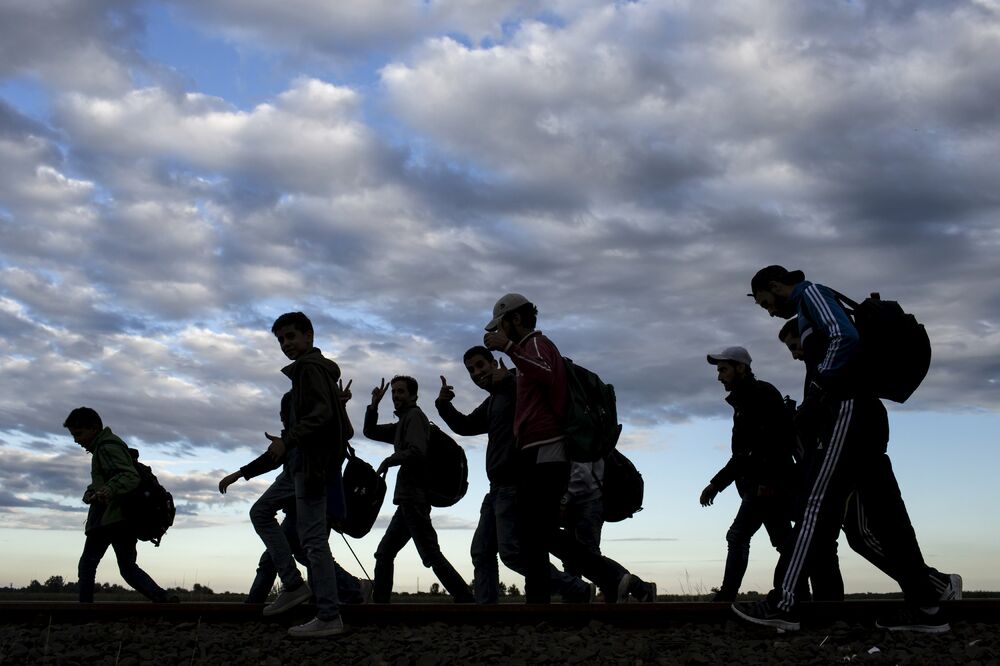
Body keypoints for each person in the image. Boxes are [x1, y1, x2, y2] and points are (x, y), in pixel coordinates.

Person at [732, 266, 952, 633]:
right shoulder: (816, 303)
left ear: (774, 285)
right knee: (888, 518)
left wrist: (820, 388)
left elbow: (843, 336)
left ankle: (783, 604)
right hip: (866, 417)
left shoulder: (810, 295)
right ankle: (928, 607)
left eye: (765, 302)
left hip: (846, 411)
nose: (769, 311)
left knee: (815, 506)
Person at [484, 293, 654, 603]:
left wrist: (508, 347)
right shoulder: (530, 350)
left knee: (538, 531)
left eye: (501, 325)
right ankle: (554, 597)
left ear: (515, 319)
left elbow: (546, 375)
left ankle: (608, 580)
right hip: (537, 450)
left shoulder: (536, 344)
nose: (498, 331)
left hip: (545, 450)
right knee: (536, 533)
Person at [777, 319, 961, 605]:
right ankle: (933, 588)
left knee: (862, 534)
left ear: (807, 336)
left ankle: (935, 586)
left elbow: (833, 415)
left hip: (846, 454)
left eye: (794, 346)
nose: (795, 354)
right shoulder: (823, 369)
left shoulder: (829, 367)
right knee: (862, 535)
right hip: (845, 453)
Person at [435, 346, 594, 603]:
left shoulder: (517, 388)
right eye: (471, 370)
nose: (477, 373)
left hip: (513, 484)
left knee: (513, 553)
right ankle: (487, 609)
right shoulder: (493, 401)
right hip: (496, 487)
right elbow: (465, 425)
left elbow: (534, 393)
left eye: (480, 365)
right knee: (482, 551)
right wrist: (443, 405)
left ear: (493, 363)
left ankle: (575, 587)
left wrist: (508, 379)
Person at [218, 391, 371, 606]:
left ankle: (342, 590)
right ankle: (351, 589)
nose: (283, 419)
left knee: (296, 551)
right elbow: (272, 458)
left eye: (285, 414)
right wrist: (240, 473)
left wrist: (340, 408)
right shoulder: (295, 437)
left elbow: (344, 434)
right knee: (292, 556)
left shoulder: (310, 436)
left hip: (312, 506)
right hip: (298, 510)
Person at [252, 311, 350, 638]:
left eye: (291, 336)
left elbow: (321, 416)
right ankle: (294, 585)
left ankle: (328, 615)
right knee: (263, 513)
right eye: (281, 340)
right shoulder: (315, 372)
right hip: (303, 465)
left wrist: (289, 439)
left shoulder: (309, 369)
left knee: (312, 542)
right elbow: (339, 425)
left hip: (310, 466)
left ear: (309, 336)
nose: (286, 344)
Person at [699, 347, 797, 603]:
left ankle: (727, 598)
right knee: (784, 541)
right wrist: (717, 484)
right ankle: (797, 594)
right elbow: (745, 453)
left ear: (740, 368)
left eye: (723, 370)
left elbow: (764, 447)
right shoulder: (746, 398)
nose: (719, 377)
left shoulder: (759, 396)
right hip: (762, 484)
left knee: (739, 536)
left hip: (765, 485)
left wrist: (717, 484)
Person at [364, 375, 474, 603]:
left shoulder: (414, 417)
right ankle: (380, 606)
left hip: (414, 498)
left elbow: (417, 451)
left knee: (429, 553)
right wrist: (373, 406)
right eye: (394, 392)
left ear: (413, 395)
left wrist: (389, 460)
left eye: (401, 391)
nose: (396, 396)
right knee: (385, 552)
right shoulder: (403, 423)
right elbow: (370, 431)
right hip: (408, 500)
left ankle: (466, 600)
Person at [65, 406, 176, 604]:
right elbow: (110, 477)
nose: (76, 440)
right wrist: (92, 491)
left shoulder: (106, 447)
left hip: (109, 518)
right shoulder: (107, 446)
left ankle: (84, 610)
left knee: (88, 565)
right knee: (128, 568)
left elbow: (128, 476)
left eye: (78, 434)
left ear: (93, 428)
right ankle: (162, 597)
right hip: (124, 518)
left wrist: (106, 492)